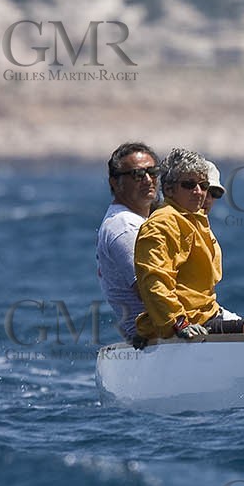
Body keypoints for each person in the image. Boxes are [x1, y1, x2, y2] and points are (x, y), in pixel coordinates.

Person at [132, 147, 244, 343]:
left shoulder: (194, 218)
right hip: (187, 324)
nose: (199, 192)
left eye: (203, 185)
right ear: (168, 189)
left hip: (206, 316)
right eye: (189, 184)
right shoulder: (162, 223)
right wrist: (179, 323)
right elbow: (154, 281)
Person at [96, 141, 161, 342]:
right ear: (115, 182)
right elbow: (149, 292)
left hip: (164, 331)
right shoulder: (125, 226)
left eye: (153, 172)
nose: (148, 179)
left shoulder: (142, 220)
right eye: (137, 174)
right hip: (156, 335)